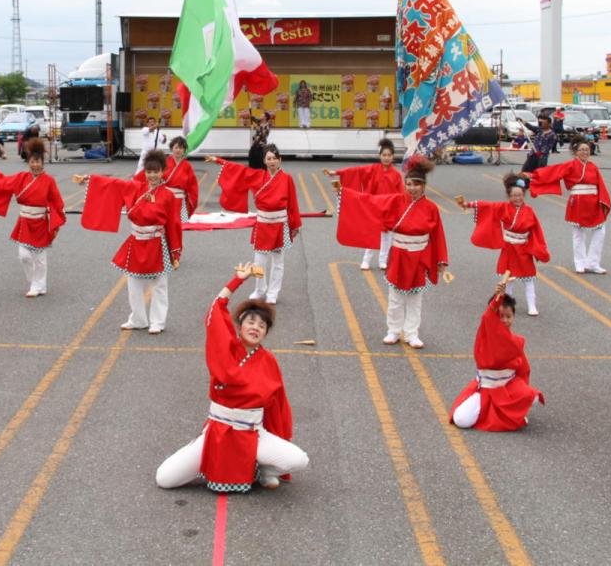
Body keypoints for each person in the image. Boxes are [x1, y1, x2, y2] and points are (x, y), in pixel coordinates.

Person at [155, 263, 308, 492]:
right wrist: (237, 280)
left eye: (262, 325)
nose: (256, 327)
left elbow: (278, 406)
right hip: (218, 432)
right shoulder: (227, 350)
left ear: (266, 332)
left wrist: (280, 437)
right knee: (165, 479)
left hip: (252, 434)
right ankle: (209, 462)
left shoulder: (269, 362)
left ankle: (263, 467)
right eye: (251, 322)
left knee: (299, 460)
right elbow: (216, 310)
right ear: (240, 326)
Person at [334, 155, 449, 348]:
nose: (411, 188)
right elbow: (370, 202)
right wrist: (344, 194)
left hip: (419, 256)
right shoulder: (396, 201)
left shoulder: (431, 208)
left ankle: (412, 333)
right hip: (399, 254)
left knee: (415, 298)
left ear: (423, 186)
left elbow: (438, 235)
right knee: (396, 297)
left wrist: (441, 260)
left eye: (416, 184)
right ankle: (393, 330)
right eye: (409, 184)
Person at [73, 150, 183, 334]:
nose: (153, 175)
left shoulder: (168, 196)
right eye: (149, 171)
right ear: (145, 172)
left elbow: (174, 224)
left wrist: (175, 252)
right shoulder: (136, 188)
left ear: (163, 171)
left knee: (159, 285)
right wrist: (89, 179)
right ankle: (138, 319)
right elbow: (113, 184)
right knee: (134, 284)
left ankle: (158, 321)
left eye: (156, 171)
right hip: (136, 241)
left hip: (157, 243)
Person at [206, 144, 301, 304]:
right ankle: (260, 289)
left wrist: (295, 224)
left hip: (280, 224)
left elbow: (293, 203)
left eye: (274, 158)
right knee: (259, 261)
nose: (271, 162)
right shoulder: (257, 176)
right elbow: (237, 170)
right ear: (264, 161)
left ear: (280, 160)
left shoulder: (287, 179)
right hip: (263, 223)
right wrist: (217, 160)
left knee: (278, 262)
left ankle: (273, 292)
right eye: (268, 158)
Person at [0, 139, 66, 298]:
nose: (35, 165)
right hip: (24, 221)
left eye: (37, 161)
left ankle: (38, 285)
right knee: (24, 256)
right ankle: (35, 282)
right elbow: (3, 182)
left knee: (40, 258)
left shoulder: (49, 181)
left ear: (42, 162)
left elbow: (57, 201)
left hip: (41, 222)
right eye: (32, 162)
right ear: (28, 162)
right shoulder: (21, 177)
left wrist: (58, 220)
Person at [449, 282, 544, 431]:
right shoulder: (486, 335)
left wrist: (523, 392)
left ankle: (510, 411)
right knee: (461, 419)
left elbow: (523, 371)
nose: (505, 320)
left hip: (507, 388)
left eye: (509, 316)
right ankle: (497, 413)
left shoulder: (514, 341)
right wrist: (497, 299)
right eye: (500, 317)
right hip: (486, 390)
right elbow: (488, 317)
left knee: (533, 397)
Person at [454, 173, 550, 316]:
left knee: (528, 279)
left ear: (524, 195)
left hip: (523, 248)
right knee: (508, 279)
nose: (517, 198)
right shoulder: (503, 207)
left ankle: (532, 305)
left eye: (520, 195)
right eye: (513, 195)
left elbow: (536, 231)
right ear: (509, 196)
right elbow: (485, 205)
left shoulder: (529, 211)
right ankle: (508, 305)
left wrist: (537, 249)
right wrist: (467, 205)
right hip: (509, 248)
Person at [524, 135, 611, 275]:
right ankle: (580, 262)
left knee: (600, 231)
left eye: (587, 150)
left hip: (593, 202)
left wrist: (602, 201)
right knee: (578, 234)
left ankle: (593, 263)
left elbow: (600, 185)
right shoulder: (570, 165)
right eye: (582, 150)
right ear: (576, 152)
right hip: (578, 201)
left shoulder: (593, 167)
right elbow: (553, 172)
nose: (585, 152)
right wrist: (535, 175)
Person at [325, 137, 402, 270]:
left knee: (387, 235)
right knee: (372, 233)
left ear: (393, 156)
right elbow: (356, 171)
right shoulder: (373, 169)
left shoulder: (396, 175)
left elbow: (401, 193)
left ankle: (383, 260)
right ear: (380, 156)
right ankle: (366, 259)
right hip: (374, 206)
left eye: (389, 155)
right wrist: (337, 172)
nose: (386, 158)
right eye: (384, 155)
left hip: (389, 207)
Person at [134, 135, 199, 222]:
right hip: (164, 197)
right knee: (163, 222)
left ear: (184, 150)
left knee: (178, 225)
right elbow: (150, 172)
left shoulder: (187, 166)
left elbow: (192, 185)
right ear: (172, 148)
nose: (178, 150)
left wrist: (192, 200)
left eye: (181, 148)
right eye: (176, 147)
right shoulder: (164, 161)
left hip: (180, 200)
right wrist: (134, 182)